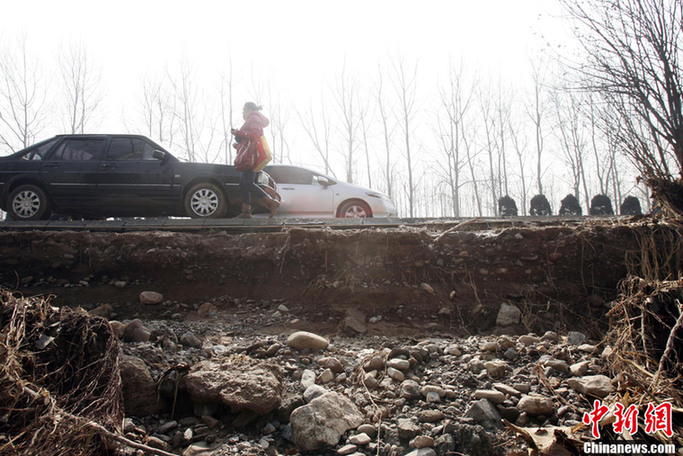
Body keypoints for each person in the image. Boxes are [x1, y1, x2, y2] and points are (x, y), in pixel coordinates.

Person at [231, 102, 280, 218]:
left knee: (247, 183)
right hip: (249, 156)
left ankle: (271, 202)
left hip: (251, 157)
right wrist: (238, 145)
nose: (243, 112)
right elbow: (248, 141)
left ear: (249, 109)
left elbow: (254, 135)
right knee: (243, 184)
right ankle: (246, 212)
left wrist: (238, 132)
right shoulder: (252, 119)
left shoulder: (254, 118)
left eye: (244, 109)